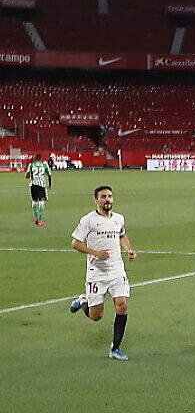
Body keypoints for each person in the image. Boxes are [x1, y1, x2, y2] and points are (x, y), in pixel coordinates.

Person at [68, 186, 137, 361]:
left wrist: (129, 249)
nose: (107, 199)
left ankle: (115, 348)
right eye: (103, 197)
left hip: (116, 270)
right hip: (96, 273)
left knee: (122, 305)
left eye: (110, 196)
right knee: (96, 316)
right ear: (96, 200)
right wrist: (96, 253)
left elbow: (121, 235)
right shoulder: (88, 220)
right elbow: (75, 243)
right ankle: (84, 301)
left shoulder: (118, 219)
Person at [25, 154, 52, 226]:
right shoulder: (44, 165)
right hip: (41, 186)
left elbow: (27, 176)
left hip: (33, 186)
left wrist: (30, 175)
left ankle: (36, 218)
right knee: (41, 202)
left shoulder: (31, 165)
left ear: (35, 158)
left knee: (34, 202)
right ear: (40, 159)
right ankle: (40, 220)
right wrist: (49, 185)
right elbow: (49, 175)